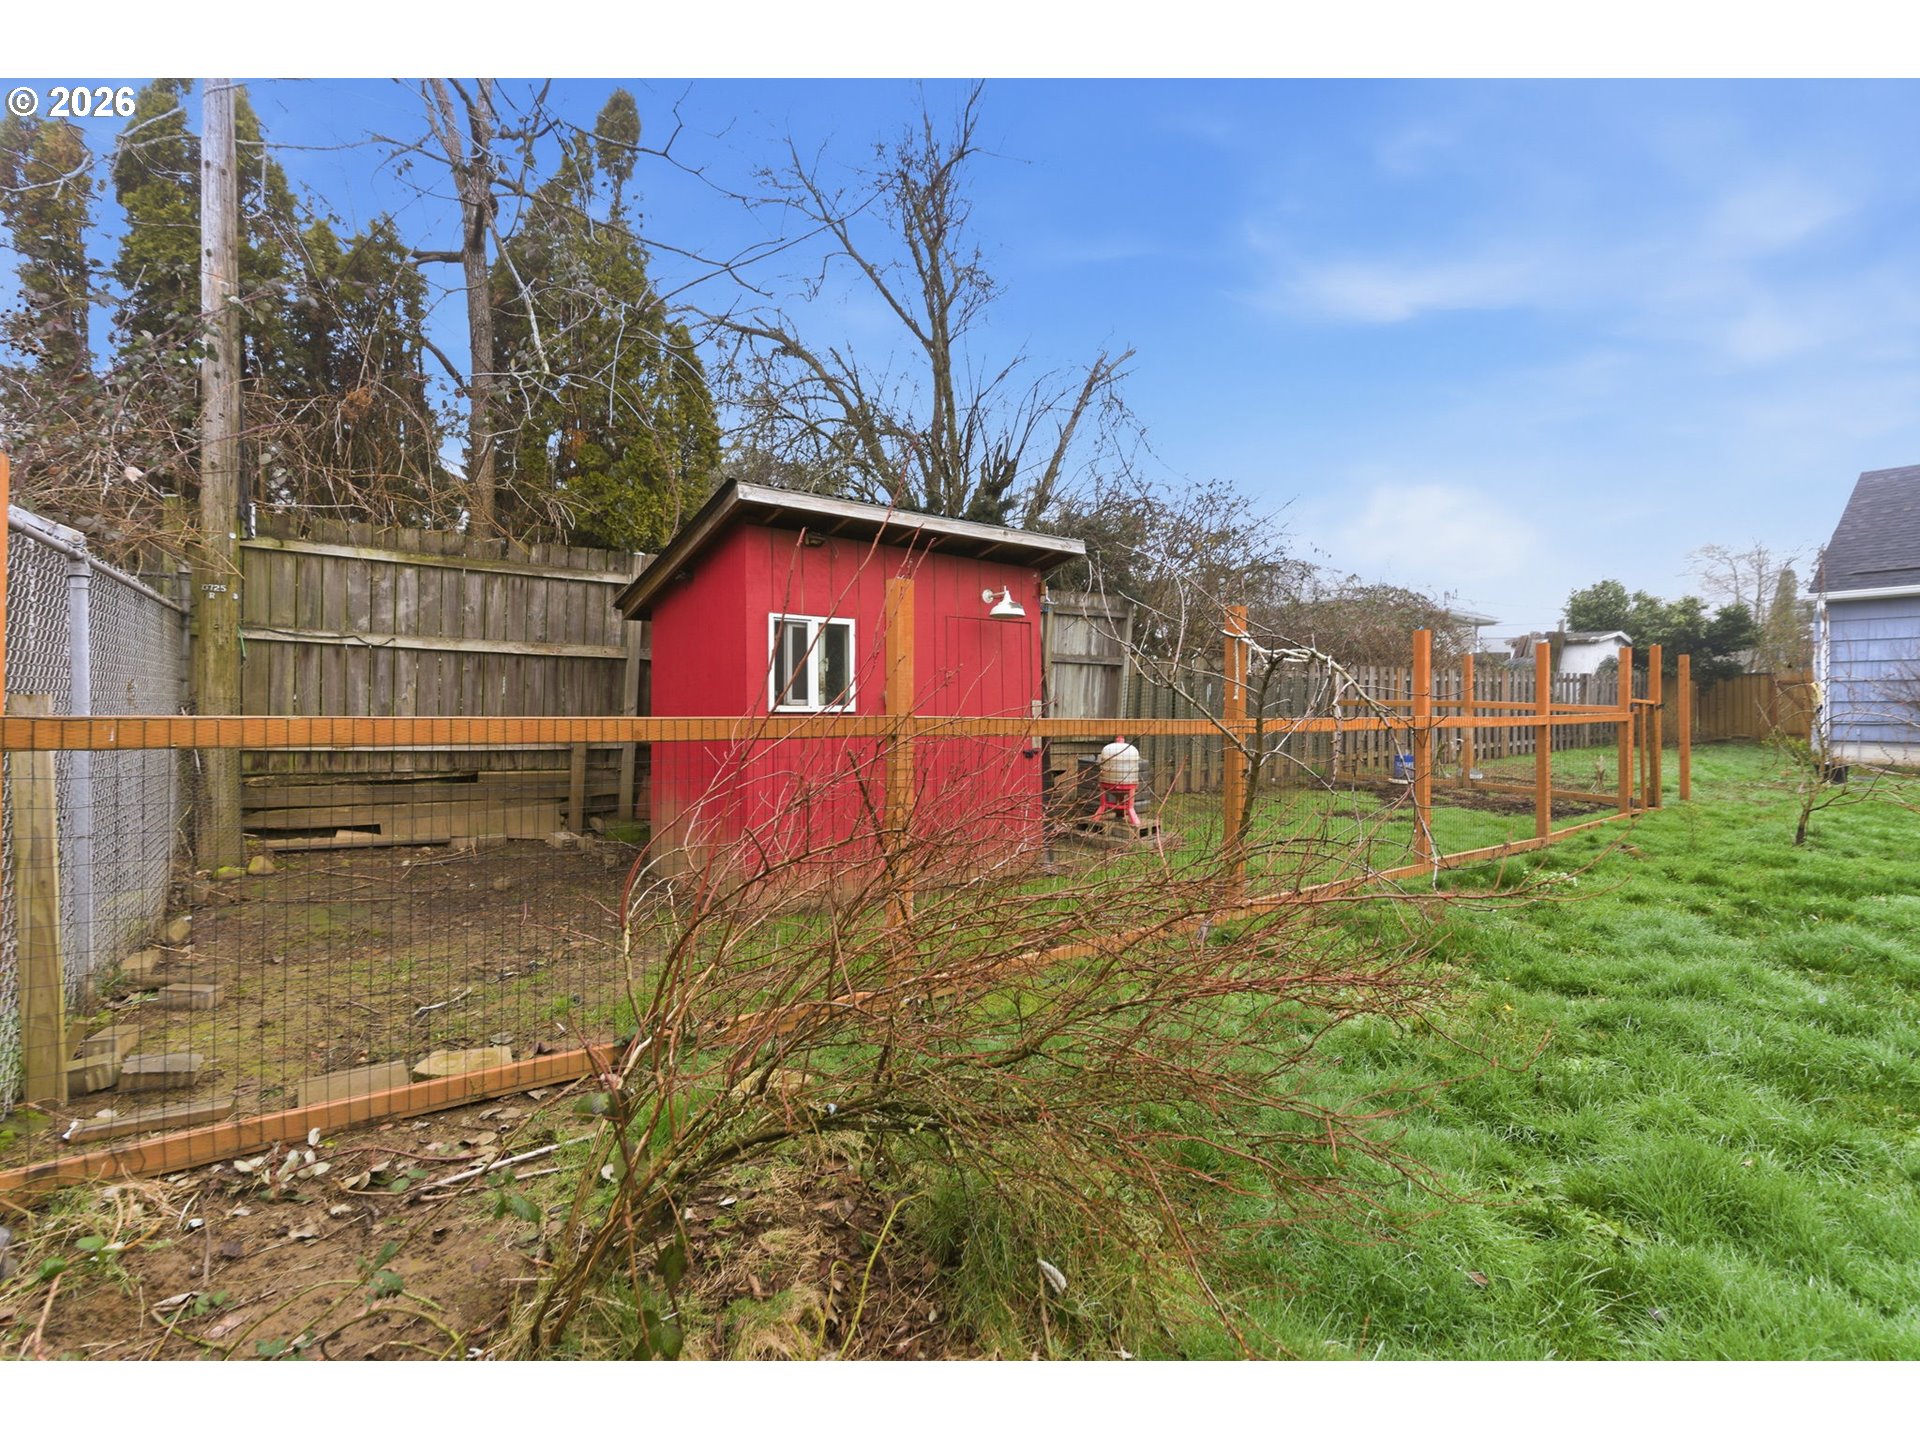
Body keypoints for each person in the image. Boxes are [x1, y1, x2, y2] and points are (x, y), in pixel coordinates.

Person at [1093, 734, 1143, 826]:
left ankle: (1101, 811)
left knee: (1107, 801)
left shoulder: (1108, 749)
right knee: (1123, 798)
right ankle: (1130, 812)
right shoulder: (1132, 750)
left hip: (1109, 781)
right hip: (1128, 782)